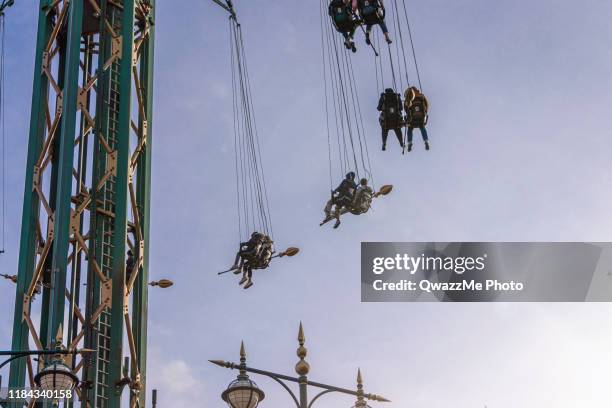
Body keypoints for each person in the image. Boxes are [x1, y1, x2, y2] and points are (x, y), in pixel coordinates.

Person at [404, 86, 430, 151]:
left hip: (412, 119)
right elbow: (426, 104)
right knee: (422, 127)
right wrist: (425, 112)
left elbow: (405, 107)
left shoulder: (409, 97)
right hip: (421, 117)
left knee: (410, 129)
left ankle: (410, 142)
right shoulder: (421, 96)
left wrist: (407, 115)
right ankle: (426, 141)